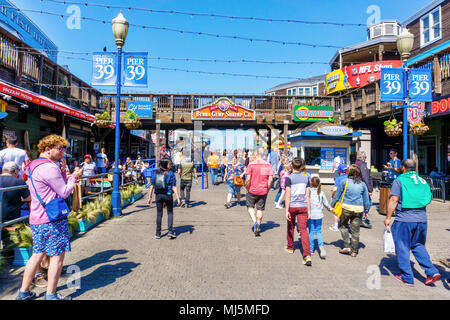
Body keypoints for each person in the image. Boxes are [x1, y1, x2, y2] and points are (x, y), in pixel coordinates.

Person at [16, 134, 83, 300]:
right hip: (52, 219)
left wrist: (61, 171)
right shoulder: (49, 167)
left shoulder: (31, 166)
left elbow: (51, 187)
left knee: (37, 254)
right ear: (47, 149)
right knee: (57, 257)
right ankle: (51, 294)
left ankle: (23, 292)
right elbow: (64, 191)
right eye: (59, 149)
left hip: (36, 217)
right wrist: (74, 176)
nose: (62, 152)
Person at [385, 159, 441, 286]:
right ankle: (431, 272)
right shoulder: (423, 181)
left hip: (404, 220)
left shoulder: (399, 180)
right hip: (421, 219)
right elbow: (429, 199)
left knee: (402, 247)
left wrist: (388, 217)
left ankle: (407, 277)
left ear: (403, 168)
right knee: (418, 245)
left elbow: (394, 199)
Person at [331, 164, 370, 258]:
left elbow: (337, 195)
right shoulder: (362, 184)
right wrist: (367, 210)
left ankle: (347, 246)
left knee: (343, 226)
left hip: (346, 208)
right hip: (358, 209)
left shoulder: (344, 182)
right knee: (355, 230)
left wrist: (332, 205)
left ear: (349, 172)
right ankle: (354, 251)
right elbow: (366, 199)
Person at [284, 157, 312, 266]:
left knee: (290, 226)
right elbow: (308, 195)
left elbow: (287, 196)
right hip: (303, 206)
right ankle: (307, 255)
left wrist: (286, 210)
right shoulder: (306, 178)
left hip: (292, 206)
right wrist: (309, 210)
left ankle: (290, 246)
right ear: (301, 166)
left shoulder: (289, 178)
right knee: (303, 230)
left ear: (292, 165)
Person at [147, 159, 180, 239]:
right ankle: (170, 231)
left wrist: (150, 197)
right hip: (168, 195)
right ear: (165, 164)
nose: (170, 165)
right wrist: (178, 198)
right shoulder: (171, 173)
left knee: (159, 214)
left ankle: (158, 233)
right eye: (169, 164)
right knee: (170, 213)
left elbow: (152, 186)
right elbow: (174, 187)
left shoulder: (156, 173)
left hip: (158, 195)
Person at [245, 147, 273, 237]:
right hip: (263, 190)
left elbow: (248, 179)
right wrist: (267, 189)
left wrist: (247, 186)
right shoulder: (268, 165)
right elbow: (270, 180)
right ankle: (259, 225)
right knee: (260, 209)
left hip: (252, 189)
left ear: (256, 154)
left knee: (250, 207)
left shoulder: (251, 165)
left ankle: (255, 222)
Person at [308, 176, 331, 259]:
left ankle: (311, 249)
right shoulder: (321, 192)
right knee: (318, 231)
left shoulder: (308, 192)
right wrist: (331, 209)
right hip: (319, 215)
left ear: (311, 183)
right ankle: (321, 246)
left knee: (311, 232)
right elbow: (326, 203)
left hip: (310, 215)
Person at [355, 151, 373, 229]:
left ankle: (358, 218)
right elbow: (366, 178)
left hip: (357, 186)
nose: (366, 159)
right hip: (363, 187)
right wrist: (370, 189)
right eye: (365, 157)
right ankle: (362, 219)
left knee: (361, 203)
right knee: (368, 203)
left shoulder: (355, 164)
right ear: (362, 158)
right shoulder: (362, 165)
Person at [329, 164, 348, 232]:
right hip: (347, 198)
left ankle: (335, 226)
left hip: (340, 197)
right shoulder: (348, 177)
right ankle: (343, 224)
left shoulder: (339, 178)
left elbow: (335, 190)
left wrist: (332, 197)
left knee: (336, 212)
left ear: (339, 171)